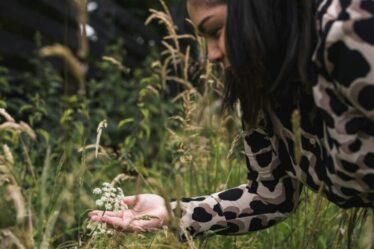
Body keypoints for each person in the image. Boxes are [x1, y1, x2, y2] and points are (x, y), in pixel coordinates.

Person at [89, 0, 374, 240]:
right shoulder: (259, 85)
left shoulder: (348, 30)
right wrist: (174, 212)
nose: (212, 55)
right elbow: (270, 194)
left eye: (216, 30)